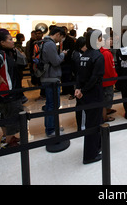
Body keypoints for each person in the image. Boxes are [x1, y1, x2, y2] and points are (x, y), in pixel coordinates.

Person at [0, 30, 23, 147]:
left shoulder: (7, 53)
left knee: (5, 115)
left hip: (6, 92)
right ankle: (9, 141)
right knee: (12, 116)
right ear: (2, 42)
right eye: (10, 40)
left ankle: (8, 137)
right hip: (7, 93)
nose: (13, 42)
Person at [75, 29, 105, 164]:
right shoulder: (98, 56)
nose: (102, 40)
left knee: (94, 122)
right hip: (94, 94)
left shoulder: (84, 54)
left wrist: (79, 89)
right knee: (93, 124)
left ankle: (97, 146)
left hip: (85, 94)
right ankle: (89, 155)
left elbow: (79, 75)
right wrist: (83, 89)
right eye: (101, 38)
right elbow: (95, 78)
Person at [39, 27, 68, 137]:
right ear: (57, 34)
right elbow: (55, 61)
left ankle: (52, 127)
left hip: (47, 77)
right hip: (51, 78)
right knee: (53, 104)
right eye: (61, 37)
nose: (60, 40)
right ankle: (51, 129)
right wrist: (63, 54)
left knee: (51, 104)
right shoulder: (50, 44)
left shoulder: (44, 42)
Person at [99, 34, 117, 122]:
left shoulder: (103, 51)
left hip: (104, 80)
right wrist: (114, 77)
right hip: (107, 80)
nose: (111, 42)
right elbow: (109, 68)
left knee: (106, 97)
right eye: (109, 40)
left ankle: (106, 111)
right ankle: (104, 116)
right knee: (107, 97)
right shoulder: (106, 53)